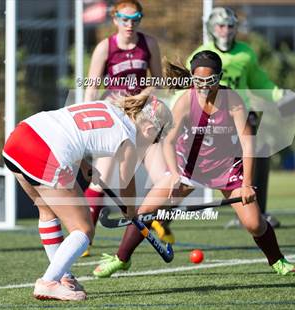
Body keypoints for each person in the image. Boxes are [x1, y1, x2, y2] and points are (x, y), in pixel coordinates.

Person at [93, 51, 295, 278]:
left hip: (226, 168)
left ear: (219, 78)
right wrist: (173, 175)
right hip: (188, 167)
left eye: (210, 81)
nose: (204, 87)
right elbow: (169, 141)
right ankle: (121, 259)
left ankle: (277, 259)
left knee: (254, 223)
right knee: (146, 211)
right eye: (198, 81)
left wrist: (247, 184)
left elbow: (248, 145)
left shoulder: (233, 102)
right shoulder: (184, 103)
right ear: (192, 78)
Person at [2, 89, 173, 300]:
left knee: (47, 211)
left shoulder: (109, 108)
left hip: (18, 139)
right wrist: (131, 211)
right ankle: (48, 282)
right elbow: (125, 181)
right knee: (83, 229)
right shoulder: (128, 137)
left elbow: (67, 129)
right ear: (149, 128)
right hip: (44, 153)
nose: (155, 143)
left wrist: (83, 165)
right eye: (158, 137)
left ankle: (63, 277)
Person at [81, 0, 164, 256]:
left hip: (140, 118)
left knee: (161, 177)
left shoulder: (149, 44)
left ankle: (152, 221)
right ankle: (83, 236)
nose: (130, 24)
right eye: (125, 19)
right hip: (112, 118)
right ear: (115, 19)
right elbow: (92, 88)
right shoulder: (105, 47)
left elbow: (159, 82)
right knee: (101, 179)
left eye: (135, 19)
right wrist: (88, 119)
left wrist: (142, 98)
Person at [189, 7, 283, 229]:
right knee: (190, 170)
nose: (226, 30)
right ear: (212, 28)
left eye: (231, 25)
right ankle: (160, 218)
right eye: (221, 26)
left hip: (240, 117)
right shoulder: (202, 54)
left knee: (256, 158)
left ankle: (257, 212)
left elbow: (259, 81)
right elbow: (187, 88)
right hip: (210, 121)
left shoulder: (245, 53)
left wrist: (279, 95)